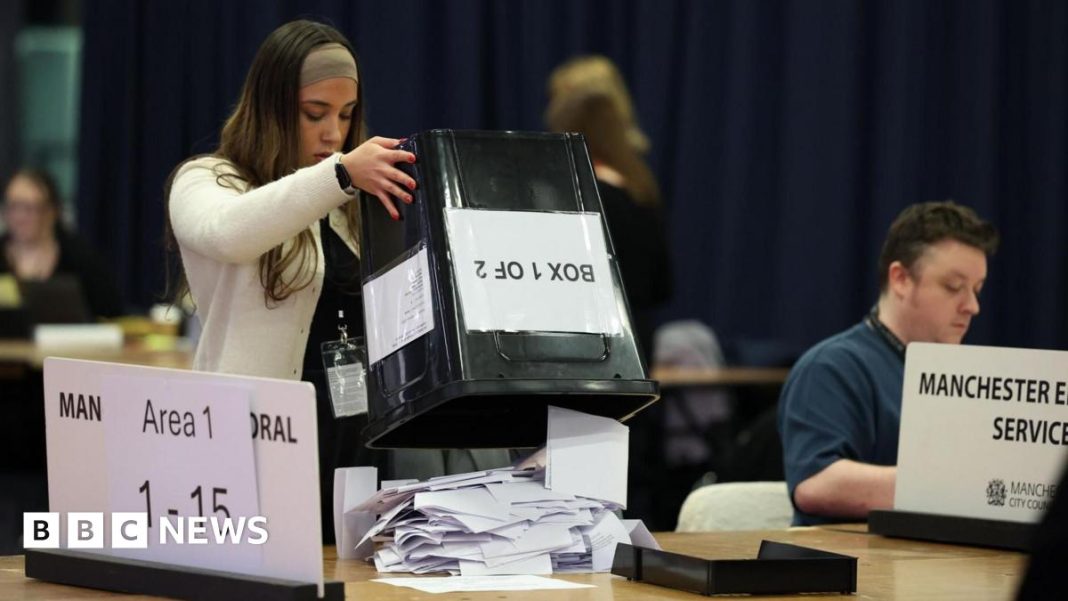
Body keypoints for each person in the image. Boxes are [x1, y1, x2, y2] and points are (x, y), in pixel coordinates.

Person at [165, 20, 507, 543]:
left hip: (356, 443)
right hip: (255, 443)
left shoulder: (348, 205)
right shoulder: (208, 180)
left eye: (346, 116)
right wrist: (341, 175)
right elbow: (230, 234)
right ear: (271, 107)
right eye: (314, 114)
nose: (333, 133)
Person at [777, 201, 999, 525]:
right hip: (853, 570)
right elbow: (817, 483)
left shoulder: (966, 379)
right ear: (900, 280)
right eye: (954, 287)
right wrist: (959, 489)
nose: (972, 306)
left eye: (977, 290)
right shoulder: (831, 368)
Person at [544, 55, 672, 362]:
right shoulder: (639, 185)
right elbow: (662, 285)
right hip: (637, 347)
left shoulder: (576, 195)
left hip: (589, 355)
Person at [1, 168, 122, 319]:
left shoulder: (81, 260)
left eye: (29, 208)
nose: (20, 217)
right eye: (13, 206)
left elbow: (112, 315)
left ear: (52, 211)